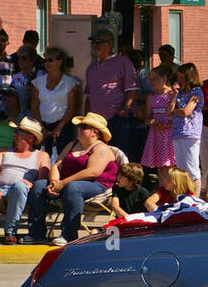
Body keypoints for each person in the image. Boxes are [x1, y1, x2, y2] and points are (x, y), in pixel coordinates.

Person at [26, 112, 118, 245]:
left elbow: (93, 172)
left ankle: (69, 234)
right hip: (67, 183)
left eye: (83, 127)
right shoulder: (72, 144)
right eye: (79, 126)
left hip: (97, 185)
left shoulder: (101, 149)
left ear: (95, 132)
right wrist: (54, 182)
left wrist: (63, 183)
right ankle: (36, 233)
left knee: (73, 188)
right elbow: (57, 165)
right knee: (39, 185)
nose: (78, 129)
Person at [84, 28, 141, 158]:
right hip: (96, 122)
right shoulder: (91, 68)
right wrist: (87, 117)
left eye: (99, 42)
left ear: (110, 44)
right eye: (94, 42)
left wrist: (125, 109)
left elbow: (132, 90)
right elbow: (89, 95)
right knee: (99, 155)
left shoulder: (123, 62)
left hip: (118, 119)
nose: (95, 45)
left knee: (121, 155)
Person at [30, 46, 81, 157]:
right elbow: (34, 107)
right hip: (42, 125)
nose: (47, 63)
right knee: (42, 158)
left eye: (50, 60)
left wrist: (59, 127)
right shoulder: (37, 82)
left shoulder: (70, 83)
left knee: (62, 158)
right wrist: (41, 127)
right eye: (45, 60)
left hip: (63, 126)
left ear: (60, 61)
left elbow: (72, 108)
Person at [170, 63, 205, 185]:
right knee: (181, 168)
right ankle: (185, 194)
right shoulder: (179, 92)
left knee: (192, 167)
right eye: (178, 77)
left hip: (190, 133)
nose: (179, 80)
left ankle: (196, 196)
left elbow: (186, 111)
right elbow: (167, 112)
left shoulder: (196, 92)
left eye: (182, 77)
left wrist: (174, 112)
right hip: (177, 132)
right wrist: (174, 95)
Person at [140, 65, 177, 179]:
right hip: (156, 133)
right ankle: (162, 189)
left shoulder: (173, 94)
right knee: (160, 167)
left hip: (170, 133)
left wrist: (168, 124)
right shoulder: (151, 97)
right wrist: (151, 121)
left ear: (164, 79)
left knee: (171, 165)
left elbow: (178, 115)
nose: (151, 82)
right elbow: (147, 117)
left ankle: (173, 191)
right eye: (150, 79)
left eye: (154, 78)